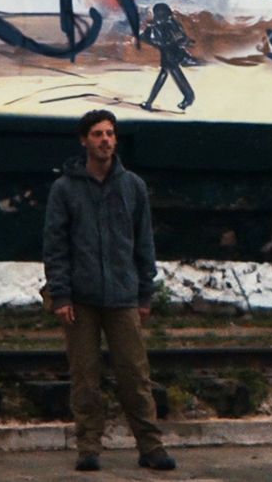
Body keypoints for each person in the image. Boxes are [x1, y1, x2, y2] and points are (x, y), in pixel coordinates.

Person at [42, 110, 176, 473]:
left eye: (110, 134)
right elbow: (55, 247)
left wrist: (145, 293)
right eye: (98, 134)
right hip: (80, 301)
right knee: (85, 378)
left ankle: (151, 446)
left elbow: (143, 243)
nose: (105, 140)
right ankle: (88, 448)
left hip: (123, 297)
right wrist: (62, 295)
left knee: (135, 376)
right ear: (83, 140)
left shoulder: (132, 186)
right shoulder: (65, 189)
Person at [139, 3, 195, 112]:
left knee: (166, 74)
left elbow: (179, 38)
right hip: (168, 53)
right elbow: (147, 38)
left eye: (157, 14)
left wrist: (159, 42)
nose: (156, 16)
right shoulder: (160, 25)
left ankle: (150, 102)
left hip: (170, 54)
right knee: (170, 74)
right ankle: (188, 97)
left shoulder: (169, 24)